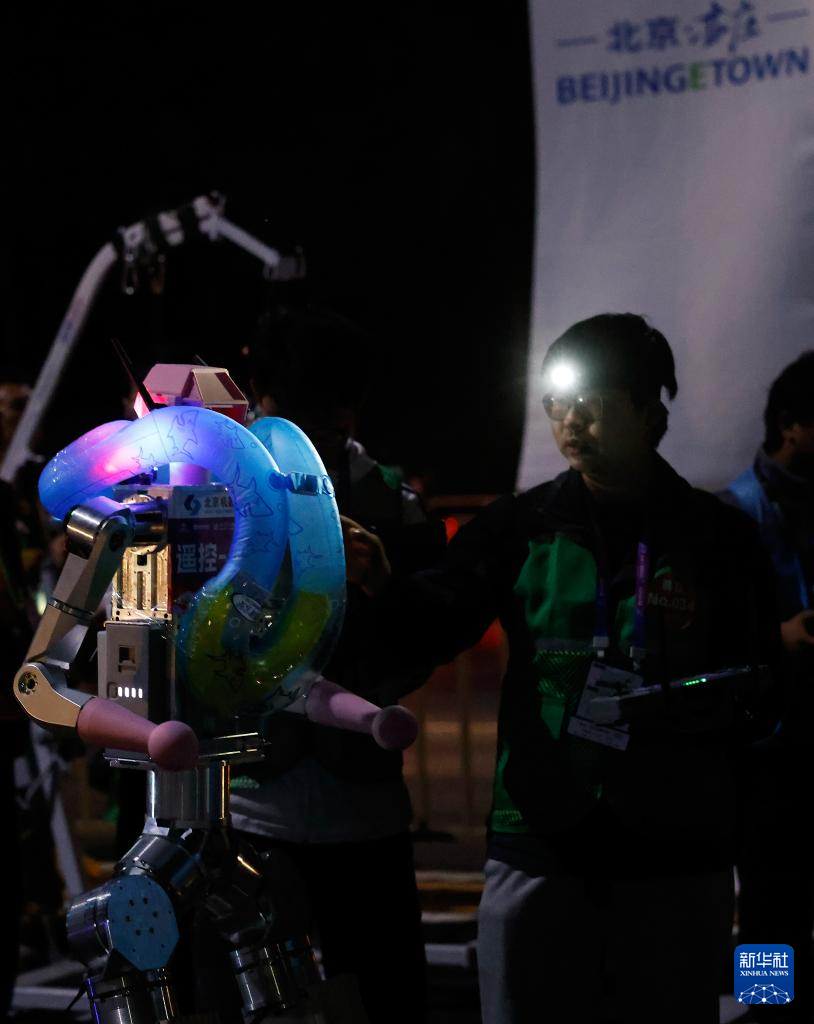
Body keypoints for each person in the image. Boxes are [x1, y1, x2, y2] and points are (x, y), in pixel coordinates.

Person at [344, 313, 780, 1024]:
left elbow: (761, 686)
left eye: (591, 401)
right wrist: (382, 583)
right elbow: (437, 619)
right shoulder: (520, 526)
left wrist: (704, 714)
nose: (569, 420)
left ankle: (775, 1001)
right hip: (540, 841)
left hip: (676, 848)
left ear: (649, 412)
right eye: (556, 401)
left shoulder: (719, 539)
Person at [225, 307, 446, 1024]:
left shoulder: (393, 504)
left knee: (381, 1000)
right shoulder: (222, 487)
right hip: (251, 806)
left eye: (325, 412)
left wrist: (384, 584)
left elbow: (428, 640)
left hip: (364, 812)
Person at [721, 352, 814, 1022]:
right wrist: (777, 639)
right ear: (791, 426)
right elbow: (706, 635)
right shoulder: (735, 512)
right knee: (767, 895)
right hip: (768, 743)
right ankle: (767, 1009)